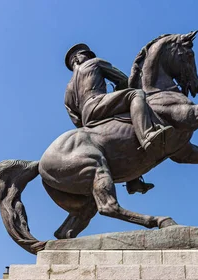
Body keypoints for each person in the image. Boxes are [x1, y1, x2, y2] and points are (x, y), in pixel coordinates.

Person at [64, 43, 172, 194]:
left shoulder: (68, 90)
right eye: (86, 55)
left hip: (88, 120)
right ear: (77, 58)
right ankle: (148, 135)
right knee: (135, 94)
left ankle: (133, 180)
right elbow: (122, 79)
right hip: (99, 103)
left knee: (121, 134)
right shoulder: (94, 63)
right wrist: (121, 90)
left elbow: (75, 119)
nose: (89, 57)